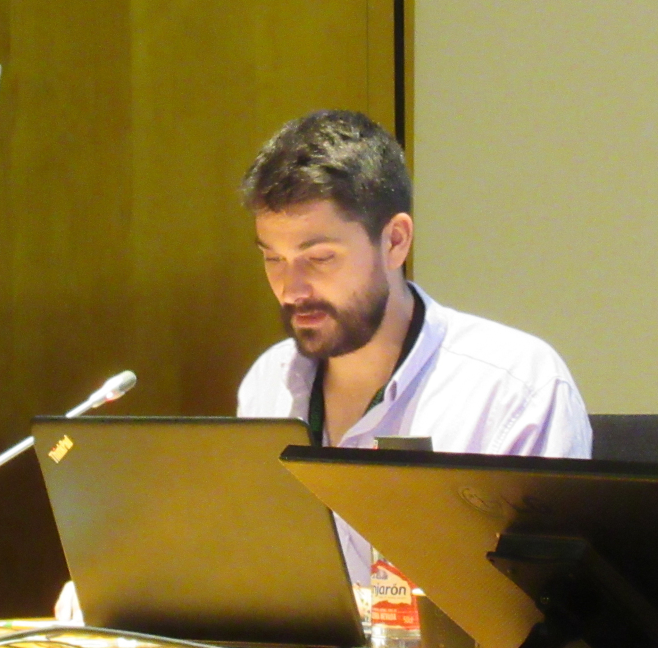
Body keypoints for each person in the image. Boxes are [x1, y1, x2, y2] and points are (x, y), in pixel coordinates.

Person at [236, 110, 590, 586]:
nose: (291, 289)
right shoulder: (267, 383)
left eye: (319, 258)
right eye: (273, 259)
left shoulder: (514, 387)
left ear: (395, 241)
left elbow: (538, 604)